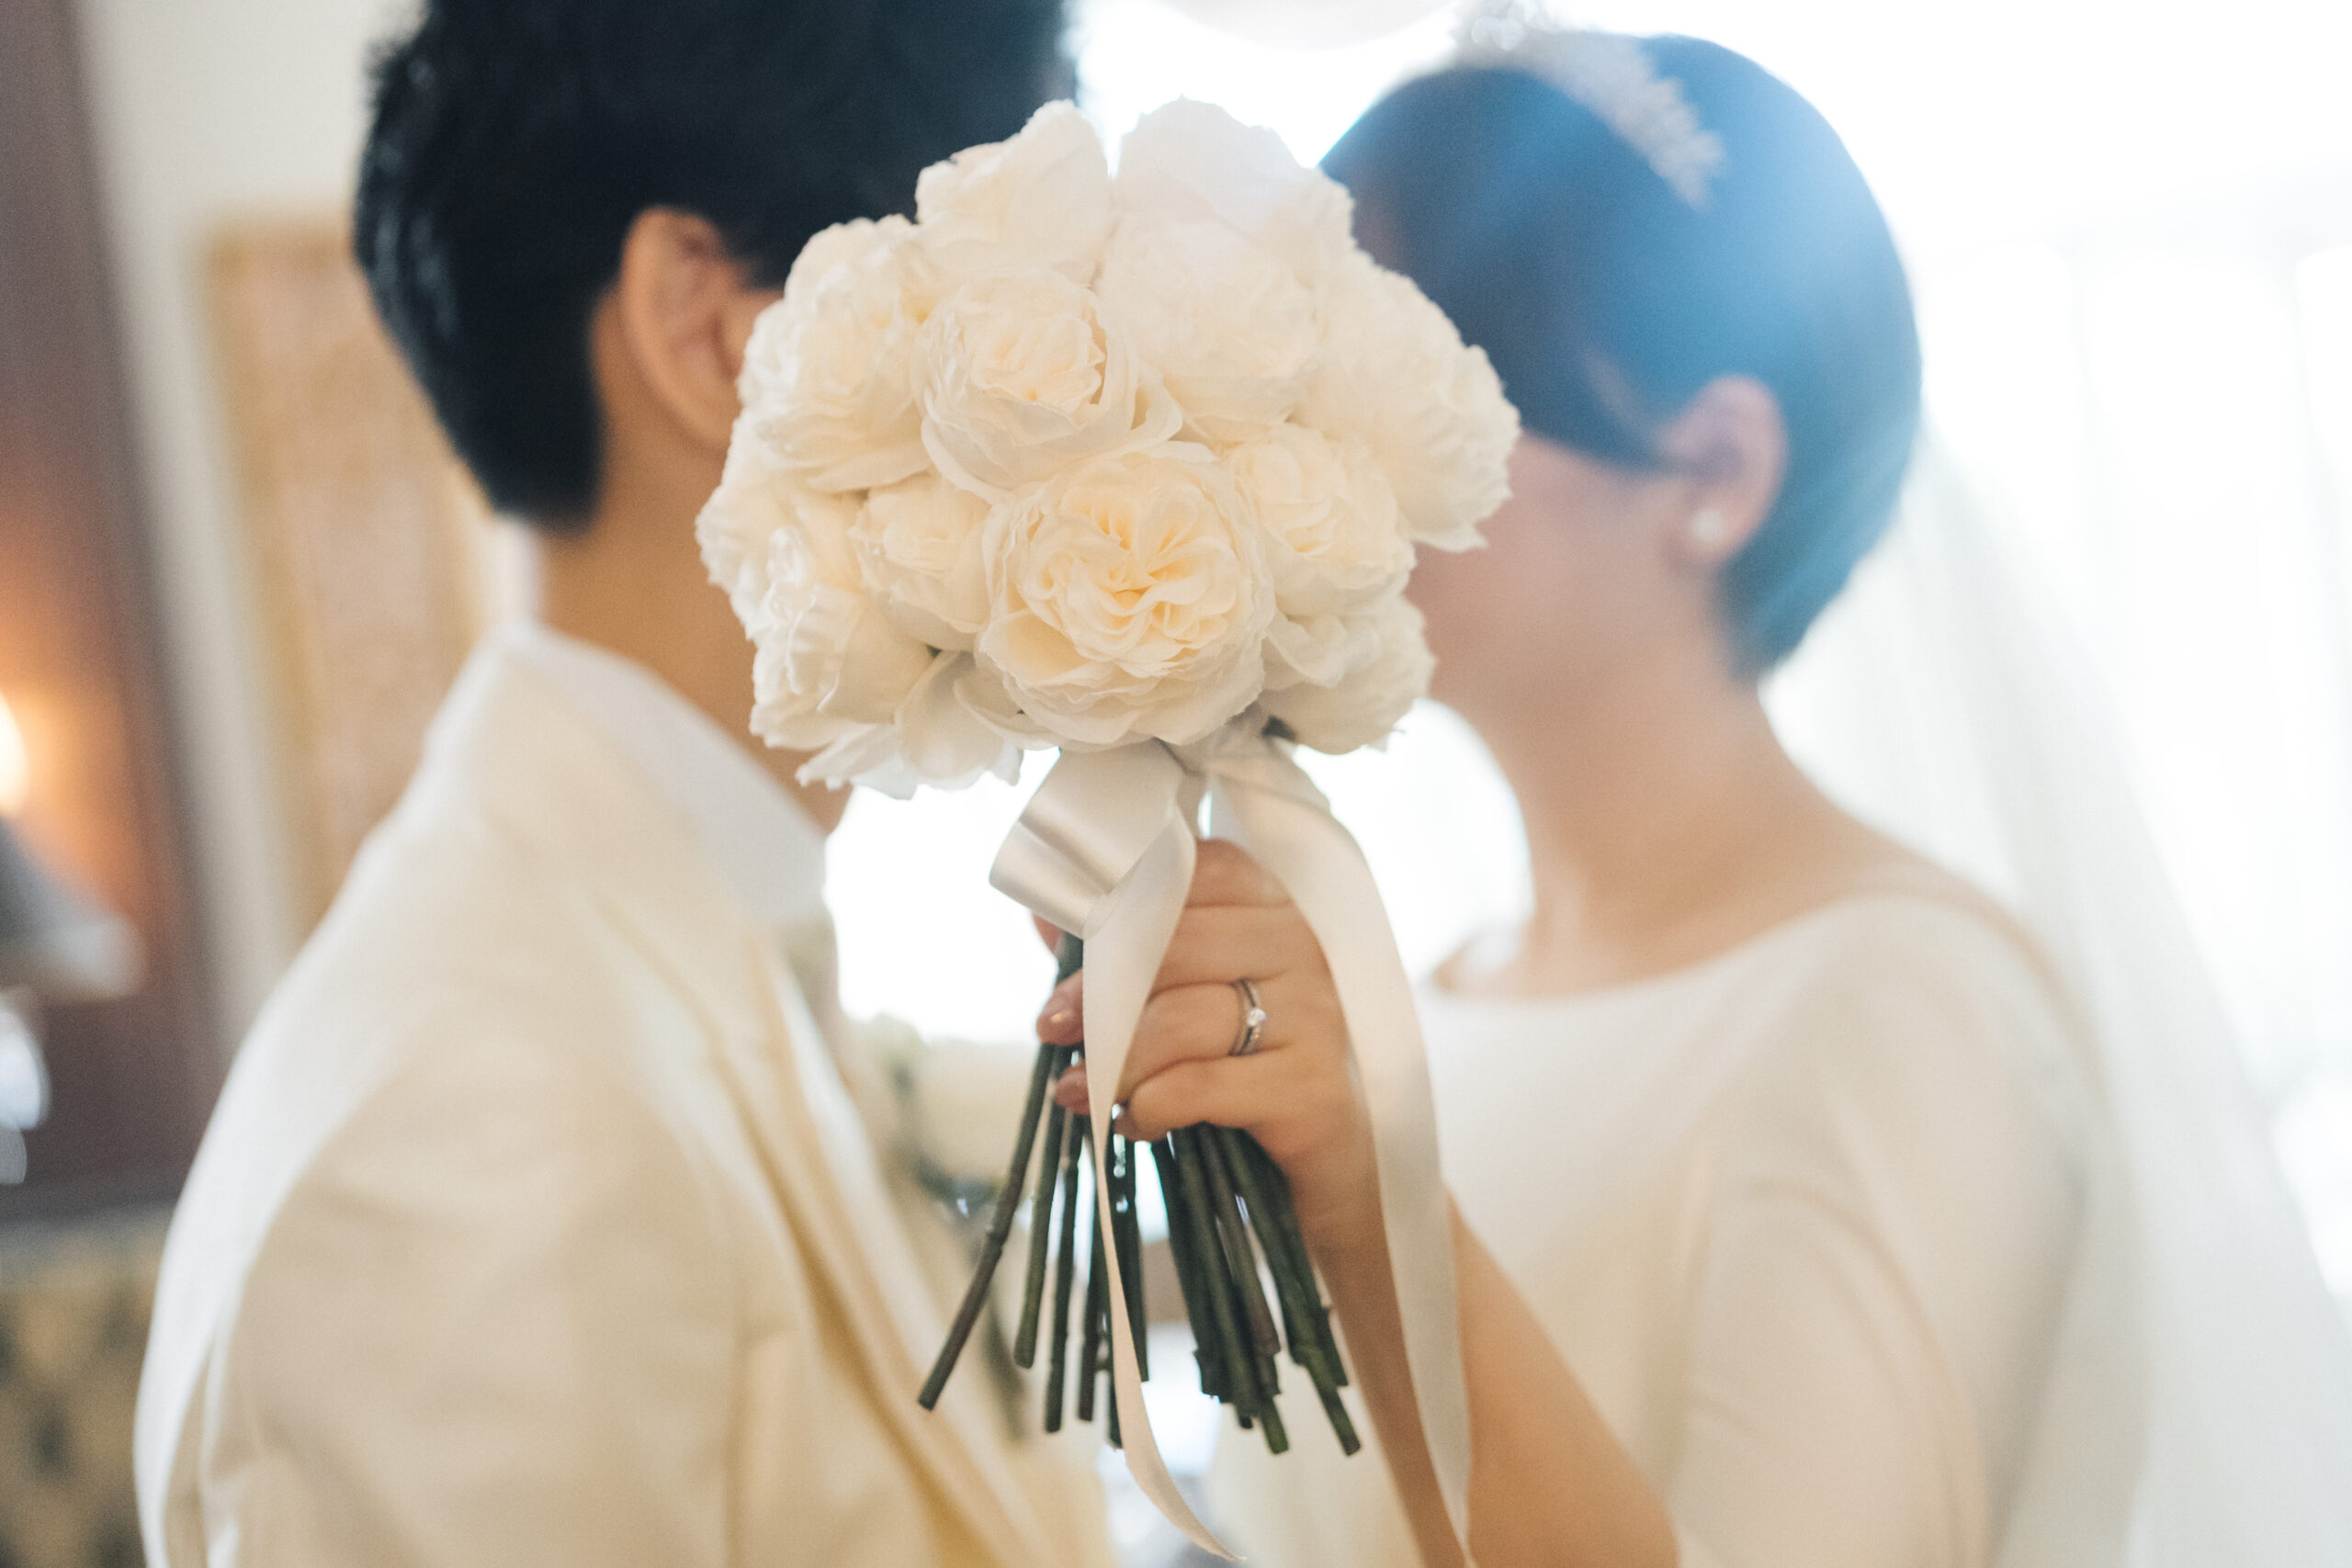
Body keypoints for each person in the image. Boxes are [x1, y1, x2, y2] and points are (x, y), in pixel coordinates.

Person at [131, 4, 1112, 1564]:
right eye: (1034, 319)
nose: (1094, 414)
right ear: (717, 333)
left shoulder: (672, 938)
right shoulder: (486, 1116)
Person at [1178, 23, 2118, 1568]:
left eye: (1403, 380)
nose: (1304, 454)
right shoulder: (1436, 995)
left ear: (1717, 468)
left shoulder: (1907, 1005)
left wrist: (1373, 1195)